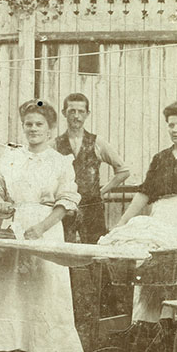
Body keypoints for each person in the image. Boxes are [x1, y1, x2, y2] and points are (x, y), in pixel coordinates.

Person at [0, 100, 84, 352]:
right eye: (29, 124)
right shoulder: (11, 157)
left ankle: (44, 350)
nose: (33, 129)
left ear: (50, 129)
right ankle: (7, 347)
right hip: (15, 224)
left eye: (39, 124)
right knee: (10, 285)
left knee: (44, 285)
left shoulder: (60, 161)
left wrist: (42, 227)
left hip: (46, 226)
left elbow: (67, 200)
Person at [116, 101, 177, 324]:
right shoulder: (160, 158)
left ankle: (175, 322)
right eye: (171, 125)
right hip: (159, 216)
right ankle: (147, 323)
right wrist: (122, 221)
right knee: (150, 263)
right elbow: (145, 193)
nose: (175, 130)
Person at [54, 92, 130, 244]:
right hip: (65, 209)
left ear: (87, 114)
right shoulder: (55, 144)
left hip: (92, 209)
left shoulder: (97, 142)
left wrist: (101, 192)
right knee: (64, 251)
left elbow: (123, 171)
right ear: (64, 113)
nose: (76, 116)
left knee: (95, 250)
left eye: (81, 111)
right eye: (72, 111)